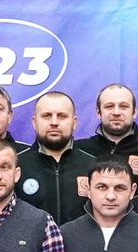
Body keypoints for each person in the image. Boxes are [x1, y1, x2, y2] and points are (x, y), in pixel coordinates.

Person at [16, 90, 97, 223]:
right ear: (34, 122)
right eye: (46, 116)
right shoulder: (15, 165)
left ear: (74, 122)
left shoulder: (94, 167)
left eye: (62, 116)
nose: (54, 122)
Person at [76, 84, 138, 173]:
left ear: (134, 112)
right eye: (109, 106)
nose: (116, 112)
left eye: (124, 106)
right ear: (98, 113)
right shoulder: (79, 149)